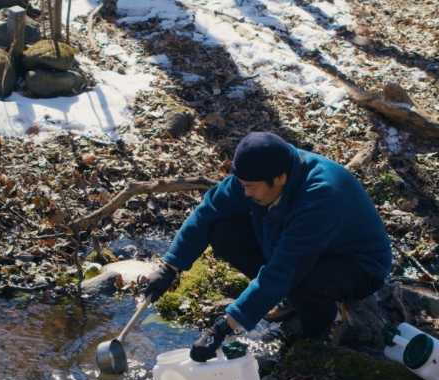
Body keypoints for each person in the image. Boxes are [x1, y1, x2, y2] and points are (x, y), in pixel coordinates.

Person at [144, 132, 392, 362]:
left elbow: (284, 270)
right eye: (242, 184)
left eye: (251, 187)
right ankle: (286, 300)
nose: (245, 192)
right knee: (222, 231)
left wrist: (223, 326)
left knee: (302, 284)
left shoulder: (320, 199)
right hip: (307, 248)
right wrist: (171, 267)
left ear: (280, 178)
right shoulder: (260, 173)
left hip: (359, 264)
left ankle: (333, 320)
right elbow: (208, 212)